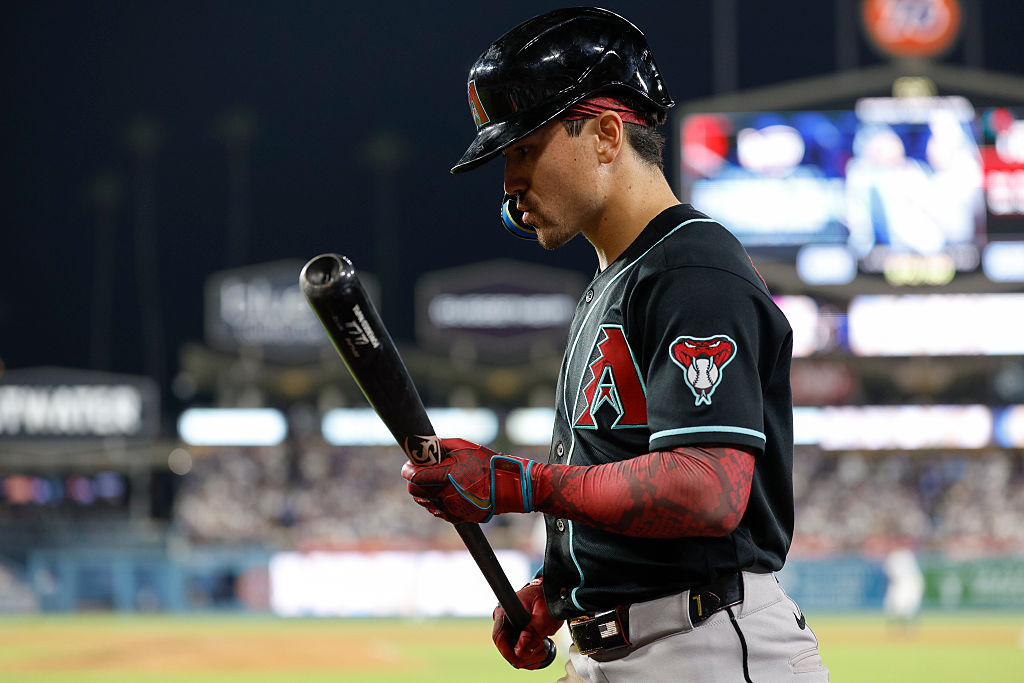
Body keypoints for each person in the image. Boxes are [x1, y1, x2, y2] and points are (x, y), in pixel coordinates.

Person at [402, 8, 829, 682]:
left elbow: (707, 488)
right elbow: (620, 467)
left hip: (702, 647)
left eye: (524, 148)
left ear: (605, 134)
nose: (511, 182)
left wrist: (514, 482)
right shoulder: (616, 279)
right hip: (633, 645)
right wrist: (563, 588)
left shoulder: (690, 268)